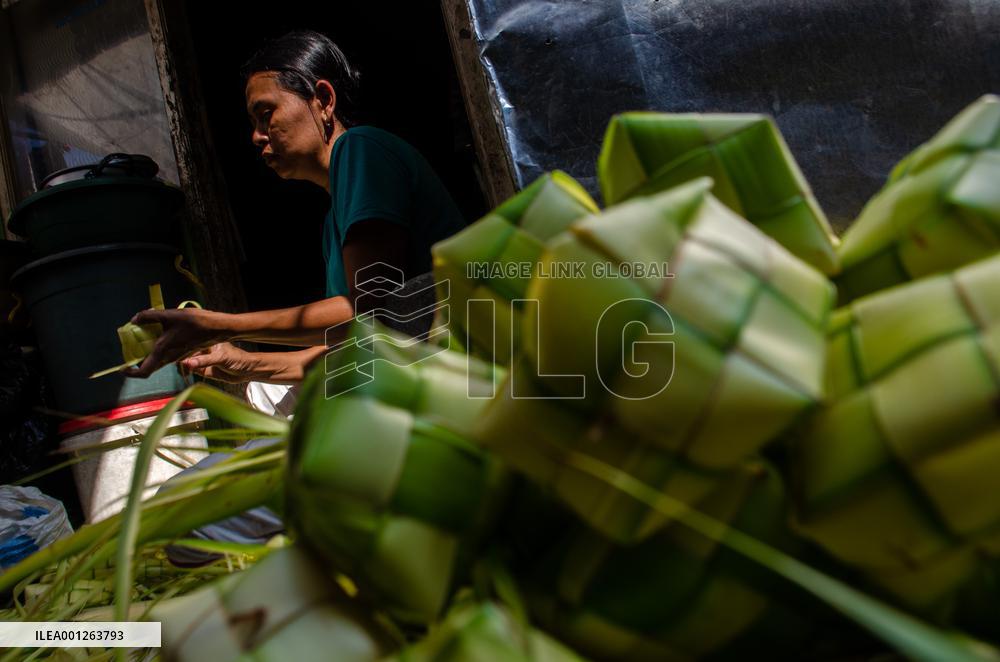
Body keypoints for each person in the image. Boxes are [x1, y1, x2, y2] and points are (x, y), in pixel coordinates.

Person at [127, 30, 466, 411]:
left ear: (323, 100)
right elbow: (350, 348)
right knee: (260, 392)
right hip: (403, 369)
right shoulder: (332, 221)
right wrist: (244, 363)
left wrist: (220, 323)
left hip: (448, 371)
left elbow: (371, 313)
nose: (256, 137)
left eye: (266, 113)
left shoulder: (362, 149)